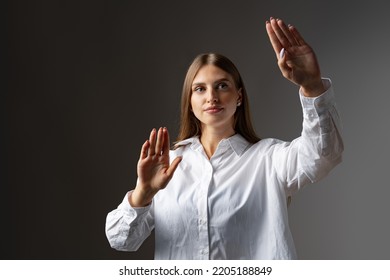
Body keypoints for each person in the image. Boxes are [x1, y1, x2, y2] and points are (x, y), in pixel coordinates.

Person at [105, 17, 344, 259]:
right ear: (189, 101)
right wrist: (142, 192)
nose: (211, 97)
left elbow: (323, 155)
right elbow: (120, 239)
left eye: (222, 86)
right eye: (200, 89)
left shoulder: (268, 159)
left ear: (239, 96)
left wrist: (312, 86)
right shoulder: (166, 167)